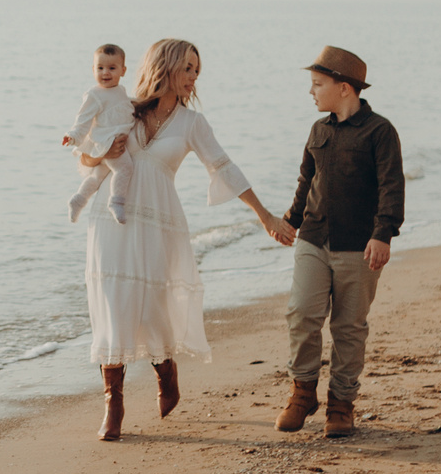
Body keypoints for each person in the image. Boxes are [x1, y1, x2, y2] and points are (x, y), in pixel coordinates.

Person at [76, 37, 293, 441]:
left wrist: (265, 215)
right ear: (166, 67)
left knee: (152, 307)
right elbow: (87, 154)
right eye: (187, 68)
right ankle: (114, 403)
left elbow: (225, 167)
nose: (193, 78)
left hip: (159, 223)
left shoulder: (193, 124)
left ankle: (166, 369)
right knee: (111, 304)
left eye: (197, 71)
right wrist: (100, 150)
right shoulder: (126, 108)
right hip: (112, 220)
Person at [275, 46, 404, 439]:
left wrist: (383, 234)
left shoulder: (380, 132)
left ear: (344, 88)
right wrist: (290, 221)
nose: (311, 92)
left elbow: (391, 187)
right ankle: (302, 392)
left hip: (359, 246)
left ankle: (342, 403)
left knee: (349, 328)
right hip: (314, 239)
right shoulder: (319, 130)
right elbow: (306, 181)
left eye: (318, 84)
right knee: (301, 314)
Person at [63, 43, 138, 224]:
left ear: (123, 70)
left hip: (112, 139)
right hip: (107, 141)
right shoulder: (94, 94)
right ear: (93, 69)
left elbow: (123, 107)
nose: (105, 73)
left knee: (98, 175)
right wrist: (73, 136)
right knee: (124, 168)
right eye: (100, 68)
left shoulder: (119, 91)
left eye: (112, 68)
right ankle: (116, 202)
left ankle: (78, 200)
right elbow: (83, 119)